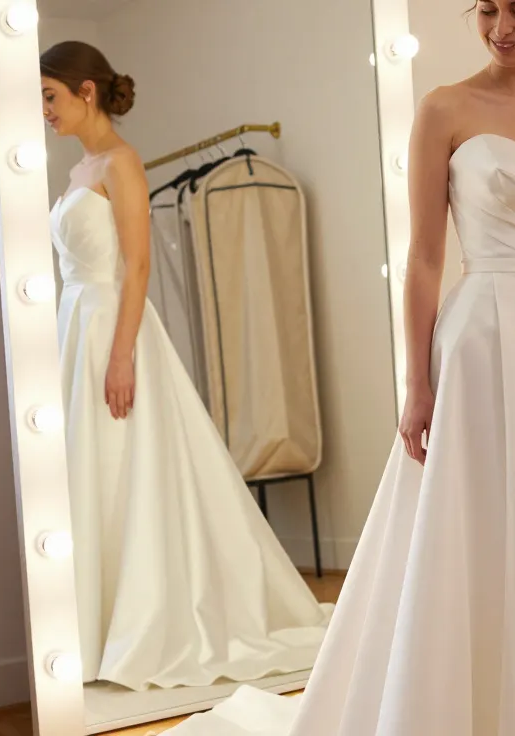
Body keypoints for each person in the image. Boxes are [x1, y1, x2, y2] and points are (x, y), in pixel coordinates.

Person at [162, 1, 515, 734]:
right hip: (481, 339)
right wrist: (416, 384)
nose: (501, 26)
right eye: (486, 8)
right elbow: (423, 259)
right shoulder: (444, 107)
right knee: (471, 524)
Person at [40, 40, 331, 691]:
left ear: (87, 91)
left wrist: (121, 357)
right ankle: (96, 624)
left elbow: (137, 266)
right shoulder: (77, 173)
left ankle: (142, 621)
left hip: (116, 331)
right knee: (95, 474)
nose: (44, 111)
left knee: (127, 468)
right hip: (76, 329)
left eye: (51, 96)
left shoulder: (122, 162)